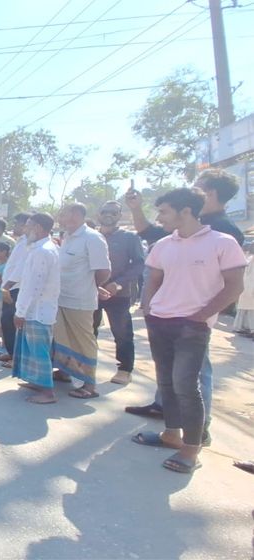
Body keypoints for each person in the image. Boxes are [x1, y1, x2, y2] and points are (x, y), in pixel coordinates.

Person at [131, 188, 246, 474]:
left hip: (192, 327)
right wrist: (149, 308)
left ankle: (191, 450)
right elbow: (153, 279)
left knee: (186, 386)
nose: (159, 217)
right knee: (167, 382)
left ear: (185, 212)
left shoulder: (223, 242)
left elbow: (235, 286)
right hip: (160, 322)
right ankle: (171, 434)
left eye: (164, 211)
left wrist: (200, 317)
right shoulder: (163, 244)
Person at [52, 203, 111, 399]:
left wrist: (91, 287)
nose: (60, 217)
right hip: (62, 297)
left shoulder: (92, 238)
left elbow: (103, 271)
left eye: (63, 214)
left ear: (76, 215)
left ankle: (89, 384)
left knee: (83, 341)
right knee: (63, 337)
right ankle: (65, 370)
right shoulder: (67, 237)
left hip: (80, 300)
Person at [9, 213, 62, 404]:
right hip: (38, 308)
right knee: (32, 348)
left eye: (28, 226)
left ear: (38, 228)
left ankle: (47, 392)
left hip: (37, 310)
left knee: (39, 351)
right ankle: (37, 382)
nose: (25, 229)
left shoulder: (42, 251)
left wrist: (20, 311)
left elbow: (33, 286)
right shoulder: (42, 248)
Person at [93, 201, 145, 385]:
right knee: (87, 331)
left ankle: (124, 369)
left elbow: (139, 264)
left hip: (118, 294)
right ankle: (82, 366)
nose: (109, 215)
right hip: (91, 292)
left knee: (122, 332)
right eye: (105, 211)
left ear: (119, 216)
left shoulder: (129, 237)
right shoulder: (92, 236)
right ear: (98, 214)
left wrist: (118, 284)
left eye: (113, 213)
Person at [0, 213, 32, 367]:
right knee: (6, 321)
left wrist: (8, 285)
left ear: (25, 225)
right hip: (9, 287)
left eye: (17, 223)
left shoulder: (29, 243)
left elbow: (23, 267)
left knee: (14, 322)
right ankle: (11, 353)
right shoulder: (22, 241)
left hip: (17, 288)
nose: (14, 226)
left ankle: (17, 357)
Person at [234, 244, 254, 337]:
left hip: (245, 285)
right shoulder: (250, 259)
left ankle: (238, 327)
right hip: (250, 286)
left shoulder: (248, 258)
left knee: (242, 309)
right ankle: (251, 329)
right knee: (251, 311)